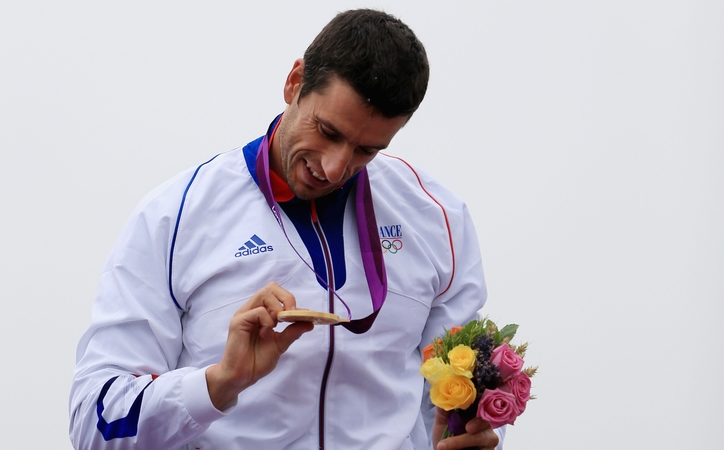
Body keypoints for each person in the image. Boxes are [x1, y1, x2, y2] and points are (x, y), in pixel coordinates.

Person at [69, 9, 502, 450]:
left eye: (367, 150)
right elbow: (94, 423)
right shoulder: (175, 215)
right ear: (295, 81)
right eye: (328, 131)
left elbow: (463, 409)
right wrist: (218, 384)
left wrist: (479, 436)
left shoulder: (438, 217)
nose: (335, 168)